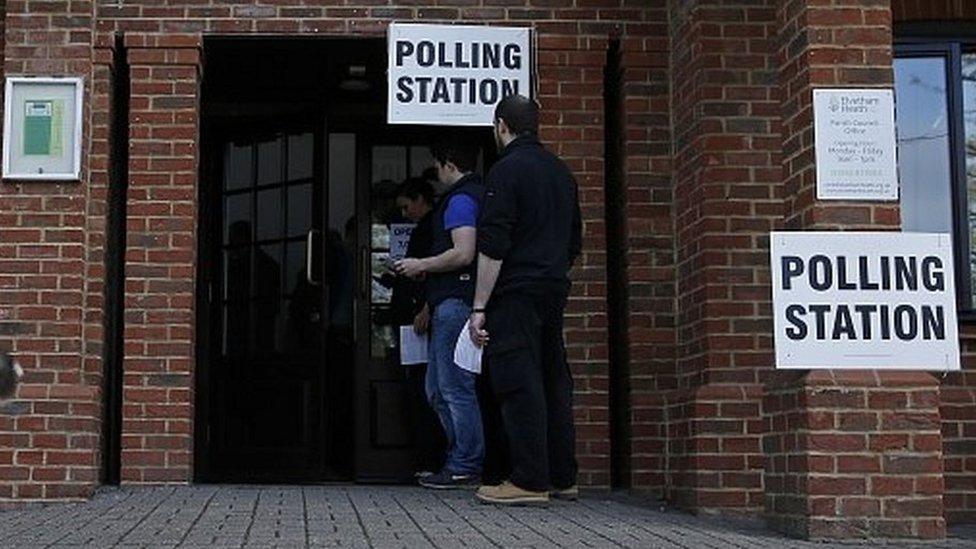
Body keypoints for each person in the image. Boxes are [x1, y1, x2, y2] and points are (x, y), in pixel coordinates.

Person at [469, 95, 582, 505]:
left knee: (519, 381)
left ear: (501, 126)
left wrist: (480, 307)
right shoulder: (562, 173)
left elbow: (494, 244)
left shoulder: (506, 171)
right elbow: (574, 241)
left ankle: (529, 481)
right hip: (553, 288)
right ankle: (562, 476)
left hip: (516, 291)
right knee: (554, 378)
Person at [395, 138, 485, 489]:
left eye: (437, 164)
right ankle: (460, 459)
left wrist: (422, 264)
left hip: (455, 303)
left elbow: (463, 252)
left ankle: (465, 463)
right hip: (450, 301)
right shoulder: (476, 194)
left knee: (453, 388)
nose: (434, 171)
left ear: (449, 163)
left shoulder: (461, 199)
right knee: (437, 388)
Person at [393, 177, 447, 477]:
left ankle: (434, 459)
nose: (404, 215)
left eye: (405, 207)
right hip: (418, 317)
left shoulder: (432, 228)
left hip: (423, 318)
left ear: (419, 199)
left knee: (429, 390)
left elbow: (435, 270)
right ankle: (431, 459)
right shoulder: (427, 228)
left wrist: (427, 306)